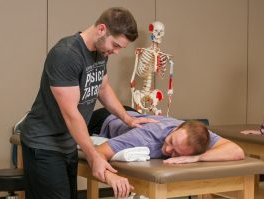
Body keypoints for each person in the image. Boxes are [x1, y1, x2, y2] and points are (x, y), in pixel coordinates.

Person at [19, 7, 157, 199]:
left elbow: (103, 88)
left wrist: (128, 119)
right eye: (115, 45)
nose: (116, 52)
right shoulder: (66, 54)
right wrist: (94, 157)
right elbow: (71, 114)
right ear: (101, 29)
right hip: (44, 144)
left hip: (67, 143)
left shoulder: (101, 52)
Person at [87, 107, 245, 197]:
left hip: (134, 112)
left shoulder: (195, 134)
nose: (167, 149)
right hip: (103, 120)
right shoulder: (146, 137)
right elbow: (99, 152)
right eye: (171, 141)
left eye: (176, 153)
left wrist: (197, 158)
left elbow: (236, 151)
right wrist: (111, 177)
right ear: (176, 129)